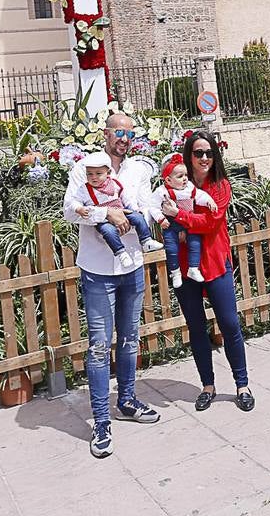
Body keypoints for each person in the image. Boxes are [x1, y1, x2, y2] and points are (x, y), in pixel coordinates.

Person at [63, 113, 164, 459]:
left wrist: (158, 211)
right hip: (97, 269)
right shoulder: (85, 168)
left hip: (132, 263)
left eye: (129, 132)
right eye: (117, 132)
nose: (123, 137)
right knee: (98, 345)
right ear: (105, 133)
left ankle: (127, 400)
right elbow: (69, 211)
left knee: (130, 338)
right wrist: (106, 214)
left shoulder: (137, 169)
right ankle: (101, 421)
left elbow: (146, 208)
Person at [161, 130, 255, 412]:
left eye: (209, 153)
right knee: (197, 328)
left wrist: (179, 216)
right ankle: (208, 386)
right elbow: (162, 216)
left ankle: (242, 384)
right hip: (186, 266)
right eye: (198, 153)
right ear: (189, 156)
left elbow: (210, 223)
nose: (204, 158)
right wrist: (175, 221)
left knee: (229, 324)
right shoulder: (174, 186)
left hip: (215, 262)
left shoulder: (220, 186)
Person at [66, 150, 157, 268]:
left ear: (107, 173)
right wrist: (101, 212)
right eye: (90, 174)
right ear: (106, 133)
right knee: (108, 231)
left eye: (98, 173)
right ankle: (120, 253)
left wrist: (134, 210)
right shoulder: (83, 186)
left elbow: (128, 198)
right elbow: (70, 207)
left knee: (138, 217)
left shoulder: (124, 177)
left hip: (134, 260)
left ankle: (146, 241)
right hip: (97, 264)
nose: (94, 177)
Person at [158, 152, 215, 288]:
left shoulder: (189, 188)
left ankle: (193, 268)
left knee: (195, 243)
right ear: (168, 180)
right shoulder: (164, 192)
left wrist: (210, 201)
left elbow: (200, 196)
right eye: (180, 176)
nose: (184, 179)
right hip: (172, 225)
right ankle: (175, 272)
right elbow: (152, 206)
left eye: (185, 175)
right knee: (171, 248)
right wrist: (160, 219)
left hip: (188, 223)